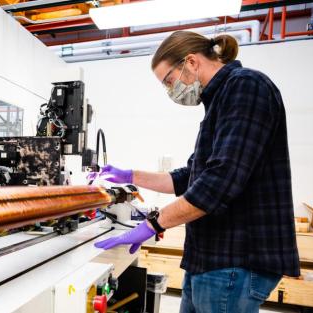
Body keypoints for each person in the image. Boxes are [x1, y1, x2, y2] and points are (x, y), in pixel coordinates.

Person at [90, 31, 300, 313]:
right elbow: (189, 177)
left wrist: (152, 224)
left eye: (169, 81)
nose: (170, 91)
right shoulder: (218, 103)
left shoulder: (246, 87)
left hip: (234, 259)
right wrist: (129, 176)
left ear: (191, 62)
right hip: (208, 259)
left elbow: (219, 183)